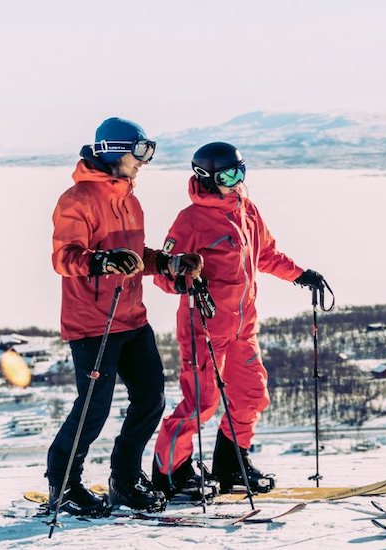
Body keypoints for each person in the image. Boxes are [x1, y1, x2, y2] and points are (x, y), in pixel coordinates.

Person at [150, 141, 327, 500]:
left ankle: (231, 465)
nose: (237, 180)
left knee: (251, 395)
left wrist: (300, 275)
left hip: (243, 325)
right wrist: (181, 273)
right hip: (204, 327)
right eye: (229, 174)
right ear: (207, 177)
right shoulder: (190, 220)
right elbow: (163, 275)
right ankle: (170, 474)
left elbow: (265, 254)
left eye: (241, 171)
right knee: (201, 404)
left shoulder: (247, 210)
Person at [46, 117, 202, 515]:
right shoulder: (76, 199)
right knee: (93, 408)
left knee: (150, 399)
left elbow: (134, 256)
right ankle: (64, 486)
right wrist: (100, 260)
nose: (144, 162)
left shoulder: (130, 199)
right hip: (92, 324)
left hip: (132, 317)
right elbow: (64, 258)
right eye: (140, 152)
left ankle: (125, 478)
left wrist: (167, 262)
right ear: (115, 151)